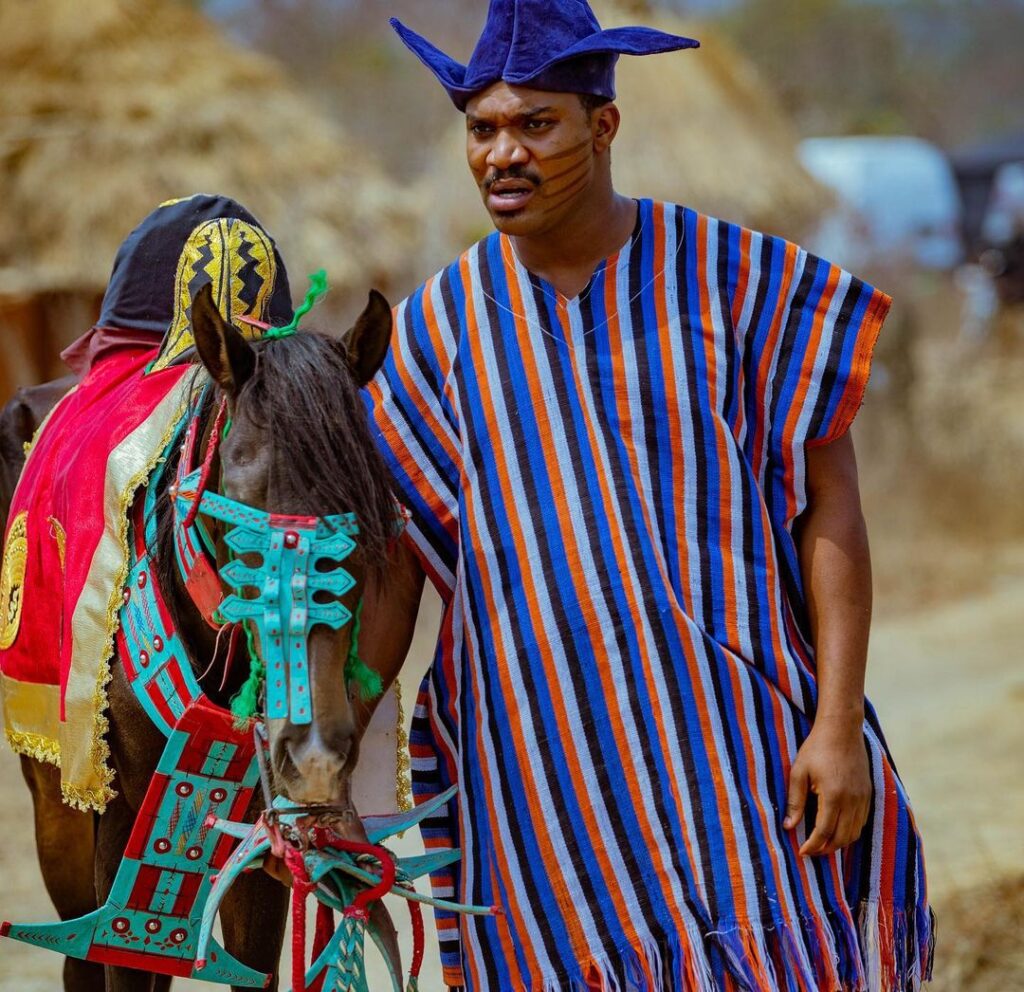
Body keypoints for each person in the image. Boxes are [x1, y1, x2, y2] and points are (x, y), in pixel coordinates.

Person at [364, 2, 933, 989]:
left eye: (534, 124)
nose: (503, 152)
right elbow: (394, 578)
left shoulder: (734, 280)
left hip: (746, 755)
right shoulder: (429, 339)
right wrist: (325, 747)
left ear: (603, 125)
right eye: (481, 128)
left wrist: (834, 722)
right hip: (539, 791)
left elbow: (828, 505)